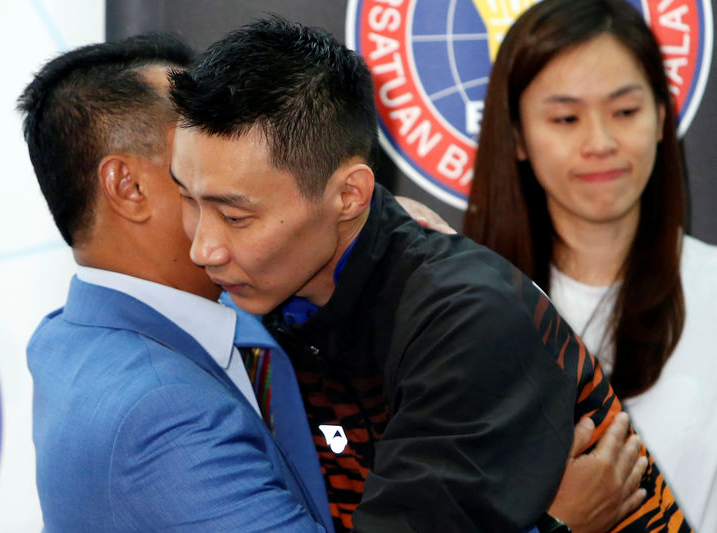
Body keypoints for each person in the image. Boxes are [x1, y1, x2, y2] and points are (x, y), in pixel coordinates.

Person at [168, 16, 686, 533]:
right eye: (187, 199)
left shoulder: (464, 321)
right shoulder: (281, 288)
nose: (202, 248)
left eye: (236, 217)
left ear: (350, 195)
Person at [17, 34, 334, 532]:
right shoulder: (163, 411)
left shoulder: (68, 332)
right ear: (129, 188)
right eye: (196, 158)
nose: (235, 176)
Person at [463, 0, 717, 529]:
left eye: (625, 112)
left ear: (661, 117)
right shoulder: (460, 311)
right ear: (516, 138)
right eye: (566, 118)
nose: (600, 143)